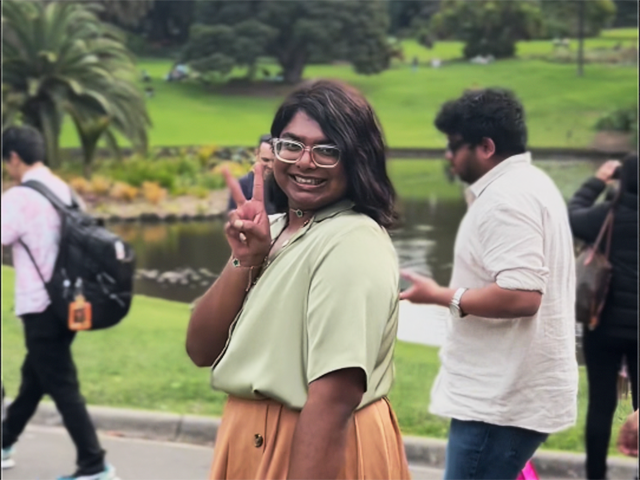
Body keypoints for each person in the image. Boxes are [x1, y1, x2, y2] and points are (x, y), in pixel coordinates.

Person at [186, 79, 411, 480]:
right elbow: (200, 348)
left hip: (311, 448)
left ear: (357, 159)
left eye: (327, 150)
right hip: (250, 441)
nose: (305, 162)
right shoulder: (271, 232)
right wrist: (244, 261)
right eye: (291, 145)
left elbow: (334, 398)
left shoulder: (350, 240)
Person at [401, 88, 579, 480]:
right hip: (504, 391)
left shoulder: (506, 199)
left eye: (453, 145)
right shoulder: (529, 183)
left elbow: (521, 296)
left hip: (499, 399)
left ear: (485, 146)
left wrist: (440, 296)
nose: (448, 156)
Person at [1, 126, 115, 480]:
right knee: (34, 377)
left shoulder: (20, 197)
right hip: (70, 302)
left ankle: (94, 464)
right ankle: (4, 442)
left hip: (40, 306)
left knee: (61, 383)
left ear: (15, 158)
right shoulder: (63, 190)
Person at [568, 154, 638, 480]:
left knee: (601, 405)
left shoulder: (604, 215)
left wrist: (598, 180)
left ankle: (595, 476)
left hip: (602, 325)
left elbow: (569, 214)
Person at [226, 134, 277, 215]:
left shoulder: (285, 186)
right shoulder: (242, 185)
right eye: (265, 160)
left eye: (274, 161)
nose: (270, 166)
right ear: (257, 154)